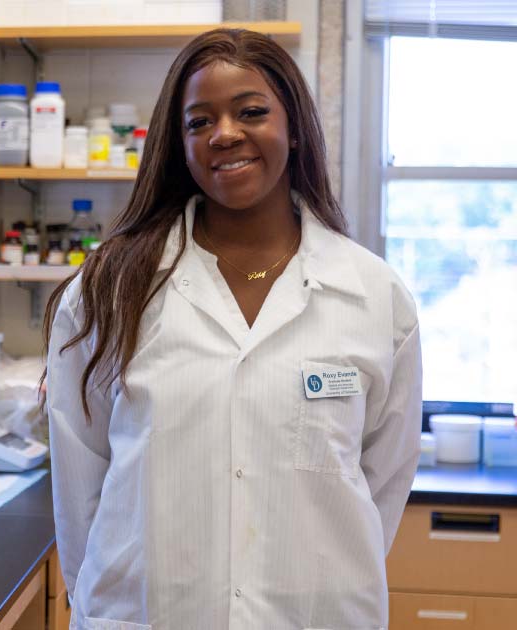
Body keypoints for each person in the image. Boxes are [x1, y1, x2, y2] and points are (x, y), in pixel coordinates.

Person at [44, 29, 422, 629]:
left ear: (293, 127)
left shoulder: (375, 297)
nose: (224, 134)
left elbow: (381, 486)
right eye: (199, 122)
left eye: (250, 111)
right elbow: (79, 486)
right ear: (179, 144)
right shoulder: (110, 290)